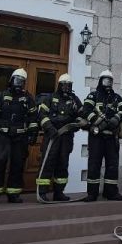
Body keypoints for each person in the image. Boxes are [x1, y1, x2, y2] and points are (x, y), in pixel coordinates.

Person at [0, 68, 37, 204]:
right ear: (11, 80)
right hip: (2, 136)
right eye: (16, 80)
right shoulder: (1, 96)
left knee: (18, 164)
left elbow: (33, 117)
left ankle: (13, 193)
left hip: (20, 137)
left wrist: (33, 134)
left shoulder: (28, 98)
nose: (18, 83)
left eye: (21, 81)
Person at [80, 69, 122, 201]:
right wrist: (96, 120)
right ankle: (92, 193)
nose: (108, 82)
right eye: (106, 79)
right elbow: (85, 110)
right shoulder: (93, 96)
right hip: (97, 137)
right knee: (94, 164)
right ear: (100, 81)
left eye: (110, 80)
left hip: (112, 137)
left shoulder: (117, 98)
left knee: (112, 164)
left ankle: (111, 192)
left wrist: (116, 118)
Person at [35, 74, 83, 202]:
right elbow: (42, 115)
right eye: (64, 84)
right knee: (48, 163)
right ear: (60, 85)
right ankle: (42, 192)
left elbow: (82, 115)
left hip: (66, 137)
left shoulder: (74, 100)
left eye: (69, 85)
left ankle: (59, 192)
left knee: (63, 164)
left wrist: (75, 125)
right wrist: (50, 128)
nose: (66, 87)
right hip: (52, 136)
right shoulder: (50, 98)